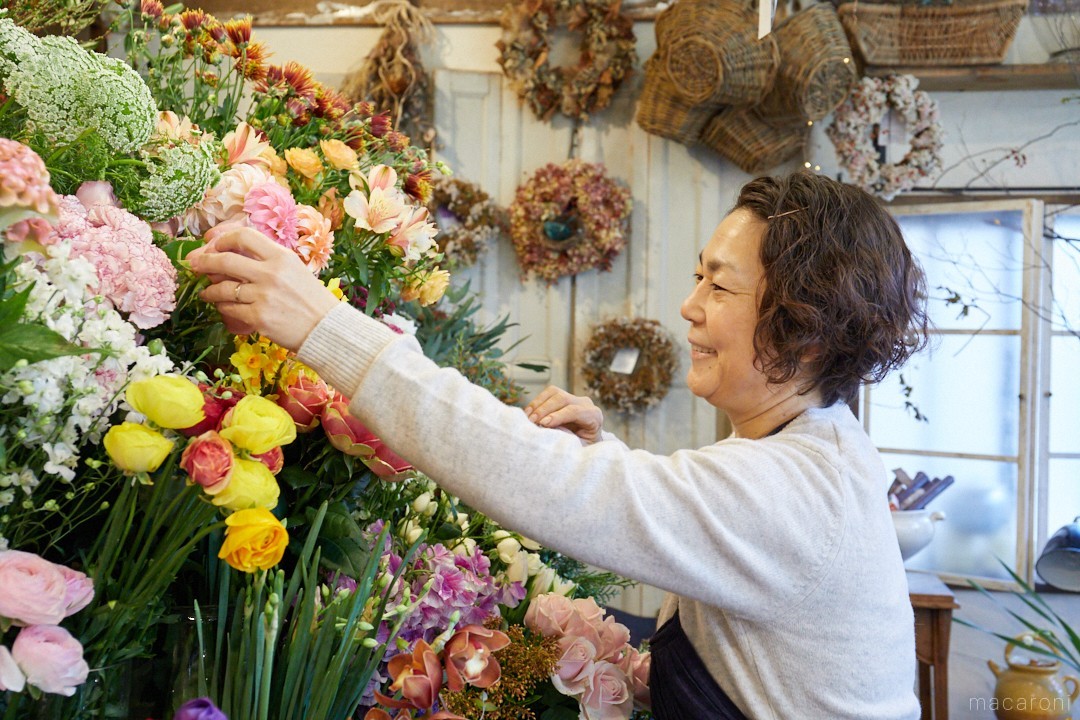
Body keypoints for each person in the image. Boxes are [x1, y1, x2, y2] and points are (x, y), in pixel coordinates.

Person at [189, 171, 929, 720]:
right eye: (697, 276)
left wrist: (325, 325)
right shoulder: (819, 447)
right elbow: (687, 506)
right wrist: (600, 454)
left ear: (804, 325)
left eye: (721, 288)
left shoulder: (797, 490)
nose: (690, 306)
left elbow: (559, 490)